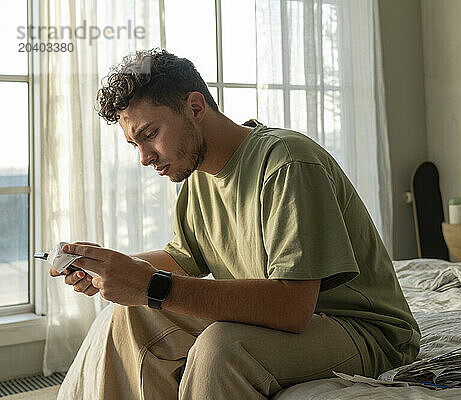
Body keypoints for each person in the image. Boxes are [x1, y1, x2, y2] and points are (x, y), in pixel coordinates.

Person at [51, 49, 420, 399]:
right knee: (132, 314)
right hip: (294, 324)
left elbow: (292, 308)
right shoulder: (197, 178)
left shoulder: (286, 162)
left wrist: (150, 284)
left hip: (361, 330)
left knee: (220, 348)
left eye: (150, 134)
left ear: (195, 107)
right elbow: (181, 258)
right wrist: (111, 268)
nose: (146, 158)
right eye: (135, 144)